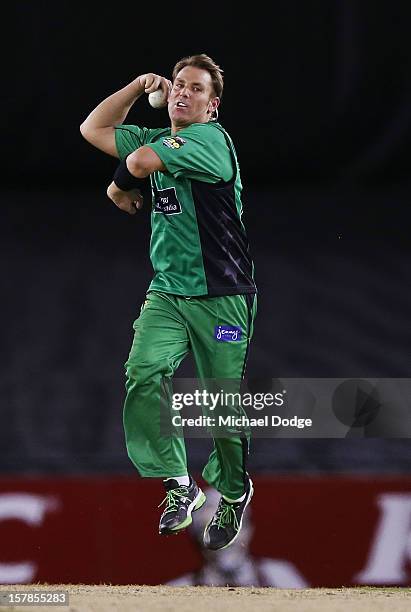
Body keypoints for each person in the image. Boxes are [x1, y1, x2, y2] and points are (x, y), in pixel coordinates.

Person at [80, 54, 257, 550]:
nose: (182, 93)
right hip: (168, 294)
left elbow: (136, 165)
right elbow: (93, 127)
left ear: (212, 106)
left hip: (222, 296)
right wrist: (137, 84)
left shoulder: (211, 142)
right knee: (143, 370)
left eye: (196, 89)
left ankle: (234, 490)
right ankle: (179, 485)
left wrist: (117, 187)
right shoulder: (157, 137)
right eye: (178, 84)